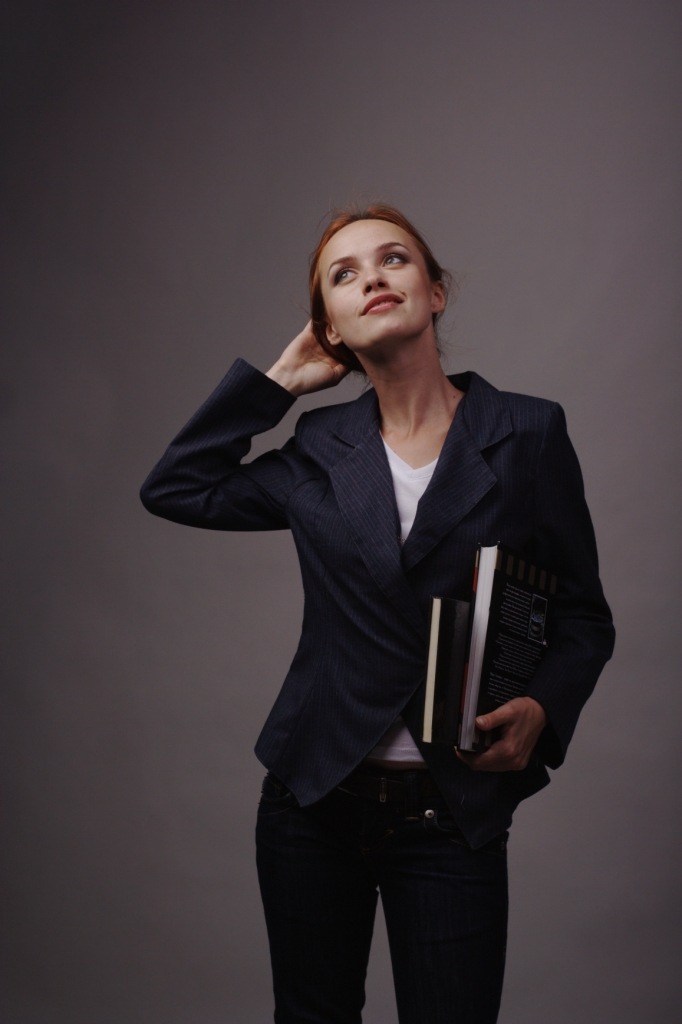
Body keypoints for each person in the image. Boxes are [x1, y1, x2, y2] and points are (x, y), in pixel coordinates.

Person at [140, 204, 615, 1024]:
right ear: (331, 328)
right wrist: (276, 386)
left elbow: (583, 617)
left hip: (451, 806)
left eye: (393, 259)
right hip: (312, 801)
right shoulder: (320, 448)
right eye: (344, 274)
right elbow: (176, 488)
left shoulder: (527, 431)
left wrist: (544, 706)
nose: (373, 278)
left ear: (435, 292)